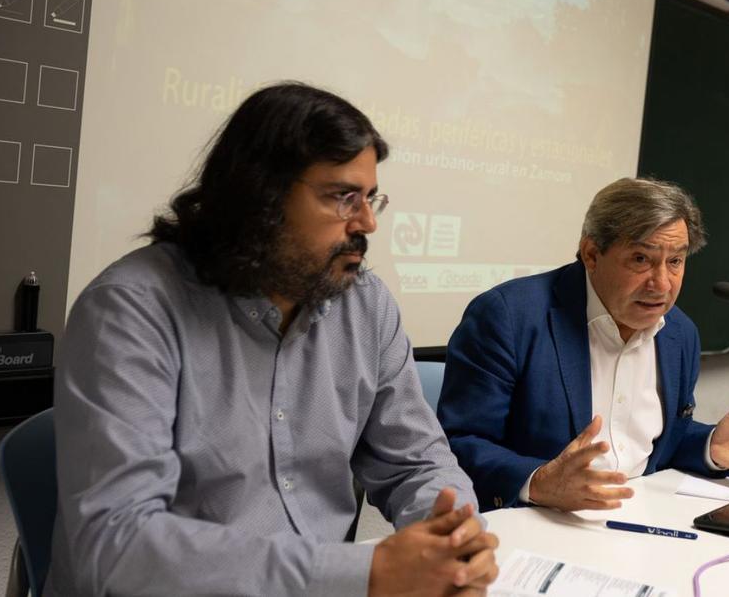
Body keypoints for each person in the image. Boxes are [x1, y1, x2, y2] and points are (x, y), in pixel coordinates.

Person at [46, 83, 497, 596]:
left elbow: (416, 460)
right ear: (258, 196)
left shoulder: (365, 304)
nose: (367, 222)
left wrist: (456, 534)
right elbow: (115, 545)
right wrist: (360, 575)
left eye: (370, 198)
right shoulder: (131, 309)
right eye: (342, 197)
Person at [438, 177, 729, 512]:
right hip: (539, 520)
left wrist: (709, 446)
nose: (661, 283)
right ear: (592, 255)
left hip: (643, 517)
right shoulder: (508, 317)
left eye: (675, 261)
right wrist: (539, 481)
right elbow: (458, 443)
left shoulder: (679, 334)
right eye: (641, 259)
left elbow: (655, 439)